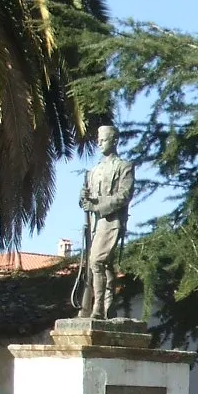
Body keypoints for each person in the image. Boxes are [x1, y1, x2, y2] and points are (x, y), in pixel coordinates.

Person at [77, 124, 135, 319]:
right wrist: (83, 198)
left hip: (111, 221)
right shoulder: (93, 170)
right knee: (105, 264)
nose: (99, 143)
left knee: (97, 261)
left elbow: (124, 195)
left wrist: (97, 206)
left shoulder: (124, 166)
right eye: (98, 140)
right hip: (94, 223)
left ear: (115, 141)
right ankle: (109, 307)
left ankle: (98, 309)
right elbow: (86, 200)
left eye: (104, 139)